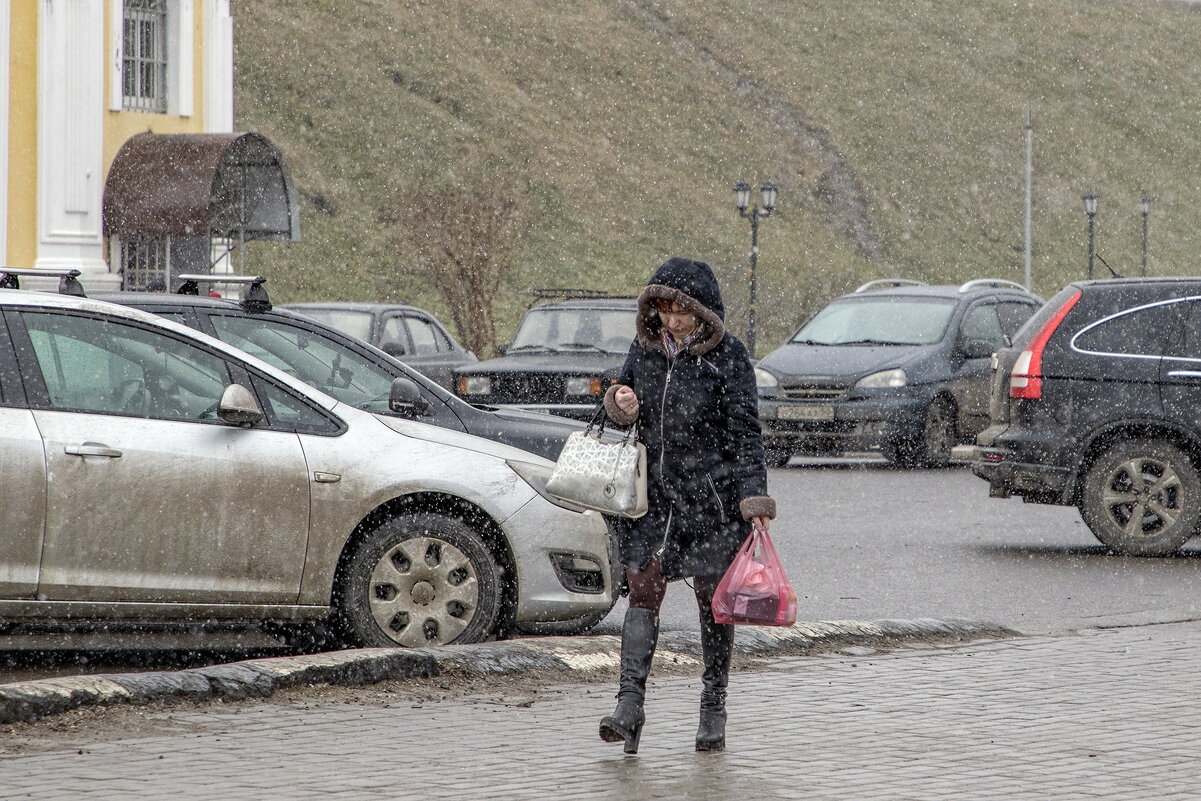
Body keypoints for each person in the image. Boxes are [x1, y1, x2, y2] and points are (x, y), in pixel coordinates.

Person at [598, 256, 775, 754]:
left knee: (713, 605)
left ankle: (713, 703)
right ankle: (629, 705)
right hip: (654, 500)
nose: (672, 320)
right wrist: (619, 403)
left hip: (711, 502)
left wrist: (752, 497)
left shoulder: (729, 357)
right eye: (664, 309)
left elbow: (745, 433)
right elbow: (619, 403)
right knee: (642, 592)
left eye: (682, 311)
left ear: (703, 312)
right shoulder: (645, 347)